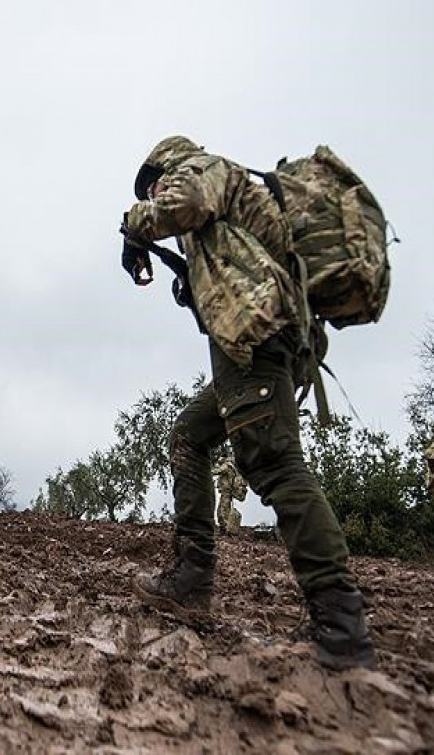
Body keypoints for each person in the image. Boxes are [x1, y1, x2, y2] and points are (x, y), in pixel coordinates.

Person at [121, 135, 375, 670]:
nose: (156, 194)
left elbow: (182, 205)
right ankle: (192, 576)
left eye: (153, 186)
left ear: (162, 168)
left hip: (254, 338)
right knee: (188, 436)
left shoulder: (199, 168)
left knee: (276, 464)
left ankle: (340, 623)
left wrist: (135, 222)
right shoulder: (228, 200)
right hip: (255, 341)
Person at [214, 458, 248, 535]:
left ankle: (227, 531)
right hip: (227, 491)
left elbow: (217, 471)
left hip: (226, 492)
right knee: (222, 511)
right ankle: (224, 530)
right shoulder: (232, 466)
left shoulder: (226, 465)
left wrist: (209, 471)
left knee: (223, 511)